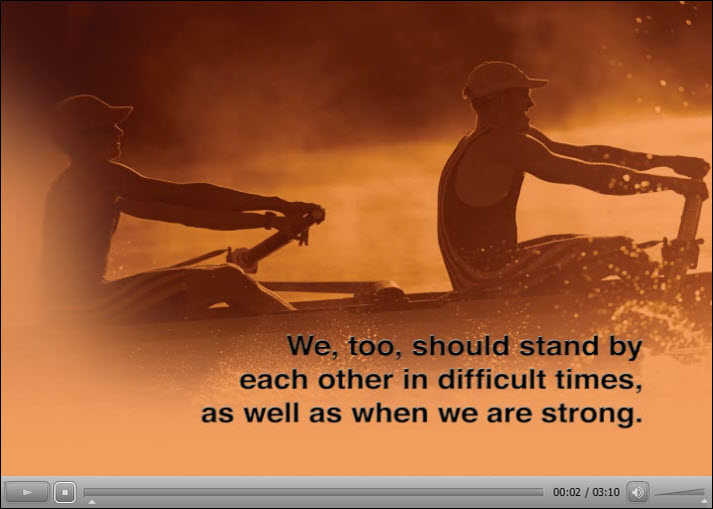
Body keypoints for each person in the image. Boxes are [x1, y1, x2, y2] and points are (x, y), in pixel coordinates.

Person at [437, 61, 710, 297]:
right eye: (523, 95)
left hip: (487, 269)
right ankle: (666, 304)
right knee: (620, 249)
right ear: (499, 101)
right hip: (483, 277)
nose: (530, 103)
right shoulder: (503, 144)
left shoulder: (495, 138)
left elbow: (588, 156)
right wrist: (673, 185)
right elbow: (593, 177)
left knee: (595, 246)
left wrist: (668, 161)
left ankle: (647, 293)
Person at [43, 94, 324, 321]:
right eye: (109, 126)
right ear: (83, 137)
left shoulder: (98, 185)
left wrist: (269, 221)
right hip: (82, 306)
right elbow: (187, 196)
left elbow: (187, 215)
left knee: (225, 276)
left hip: (78, 306)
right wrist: (278, 203)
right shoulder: (96, 176)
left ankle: (294, 333)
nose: (119, 131)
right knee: (228, 278)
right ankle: (308, 342)